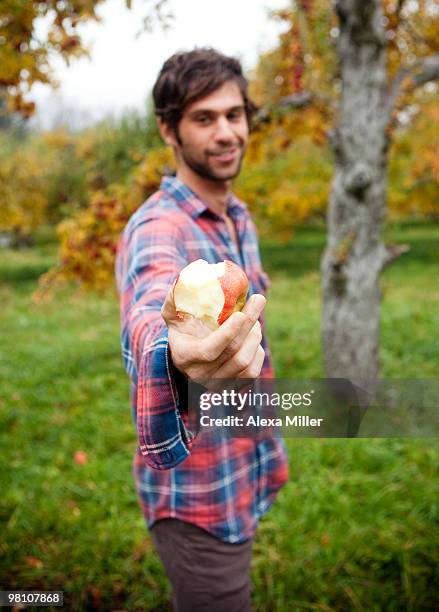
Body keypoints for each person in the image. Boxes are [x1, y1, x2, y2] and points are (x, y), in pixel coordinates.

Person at [115, 48, 289, 612]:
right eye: (204, 118)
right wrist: (175, 351)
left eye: (234, 114)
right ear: (169, 129)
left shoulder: (238, 217)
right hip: (197, 498)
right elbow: (150, 307)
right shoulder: (158, 227)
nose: (226, 133)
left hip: (240, 472)